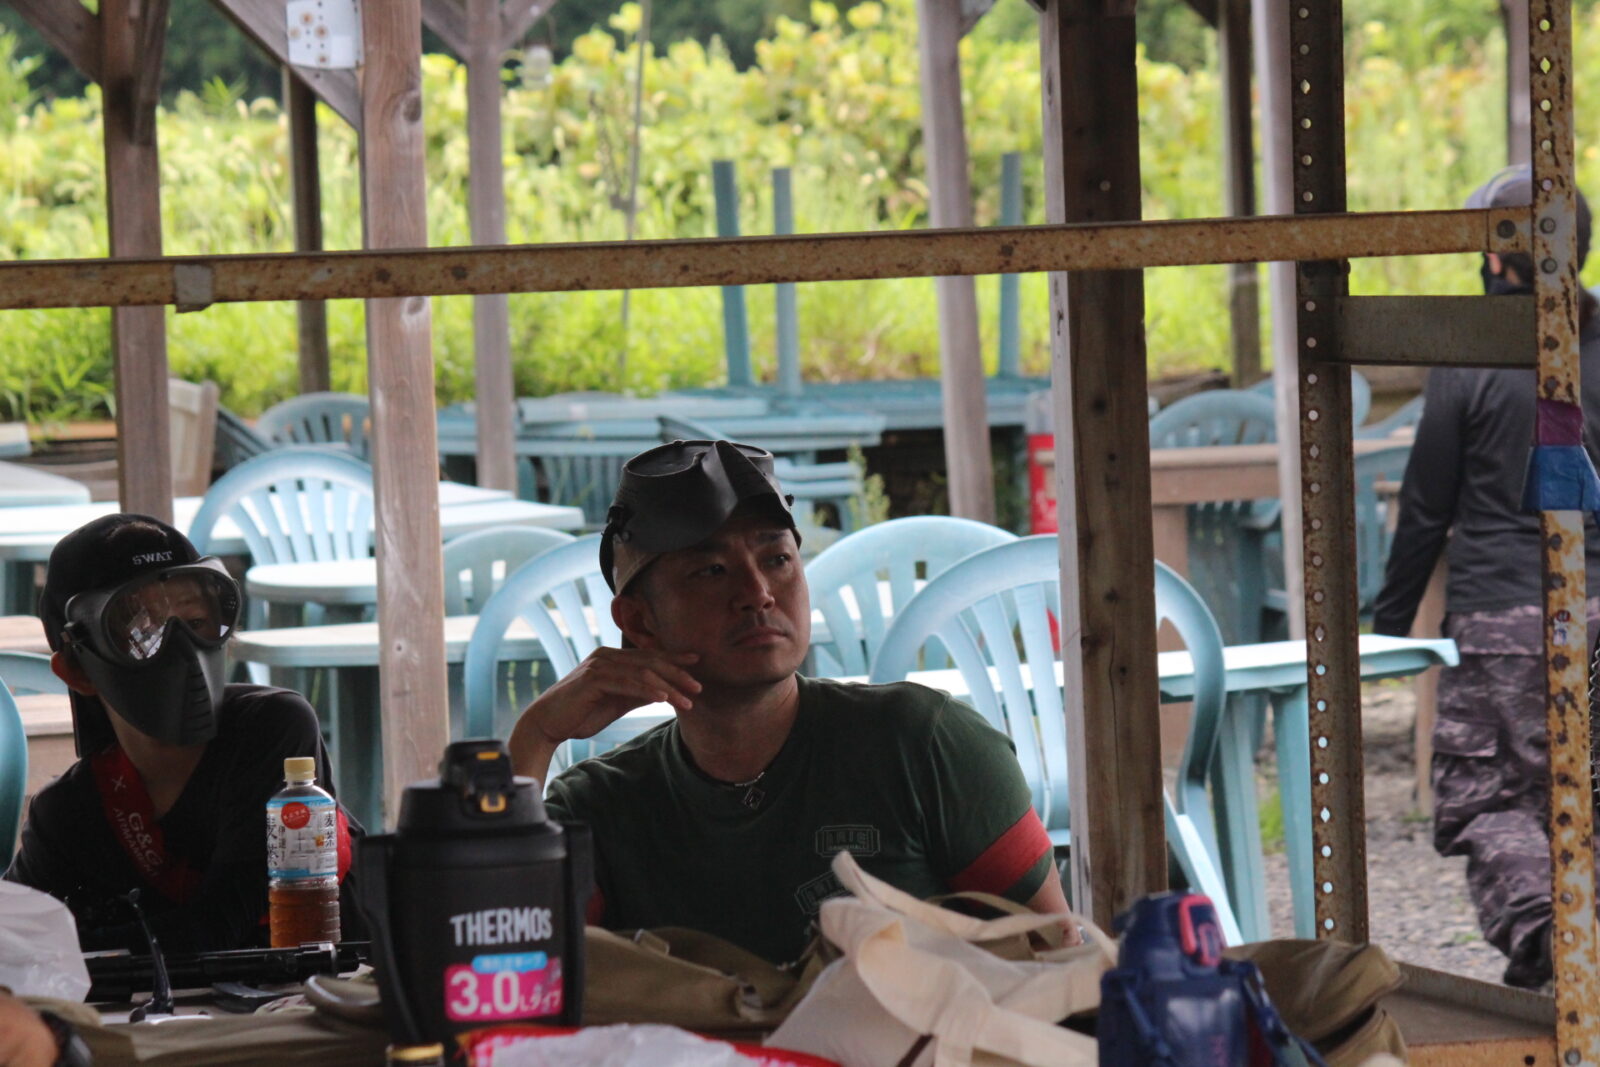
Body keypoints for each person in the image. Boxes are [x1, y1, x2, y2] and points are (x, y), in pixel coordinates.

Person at [509, 439, 1074, 963]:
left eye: (777, 559)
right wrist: (535, 737)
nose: (757, 593)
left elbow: (1058, 958)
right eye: (711, 570)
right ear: (639, 622)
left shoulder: (924, 743)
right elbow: (508, 965)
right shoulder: (601, 807)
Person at [1372, 164, 1600, 989]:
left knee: (1490, 796)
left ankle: (1546, 938)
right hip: (1595, 612)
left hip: (1500, 621)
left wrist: (1387, 627)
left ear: (1497, 257)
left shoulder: (1467, 358)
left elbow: (1425, 508)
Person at [4, 513, 358, 953]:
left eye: (196, 622)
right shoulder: (69, 815)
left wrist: (84, 947)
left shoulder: (273, 729)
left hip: (329, 994)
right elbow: (13, 941)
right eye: (143, 633)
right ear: (77, 671)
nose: (182, 650)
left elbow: (218, 926)